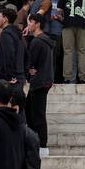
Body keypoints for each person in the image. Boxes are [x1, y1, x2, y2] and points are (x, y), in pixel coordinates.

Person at [24, 11, 55, 154]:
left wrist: (29, 69)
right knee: (31, 112)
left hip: (39, 82)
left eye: (30, 22)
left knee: (37, 114)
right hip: (44, 80)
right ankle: (35, 142)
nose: (28, 25)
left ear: (37, 24)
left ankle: (42, 145)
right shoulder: (45, 40)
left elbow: (31, 63)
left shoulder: (37, 41)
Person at [30, 0, 63, 83]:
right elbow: (37, 15)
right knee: (47, 59)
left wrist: (29, 26)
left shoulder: (38, 0)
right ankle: (48, 80)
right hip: (43, 33)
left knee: (37, 58)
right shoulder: (47, 1)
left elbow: (31, 16)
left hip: (38, 34)